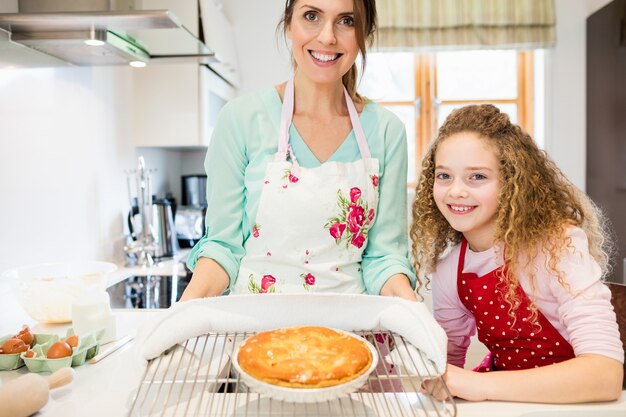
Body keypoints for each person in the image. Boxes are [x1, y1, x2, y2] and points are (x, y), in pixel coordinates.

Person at [180, 0, 416, 301]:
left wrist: (412, 310)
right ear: (289, 24)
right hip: (255, 328)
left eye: (346, 21)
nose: (328, 37)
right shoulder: (241, 119)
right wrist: (179, 317)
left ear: (363, 33)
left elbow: (384, 259)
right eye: (312, 16)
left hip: (352, 331)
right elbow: (222, 248)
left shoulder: (386, 131)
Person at [410, 104, 624, 402]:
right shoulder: (449, 270)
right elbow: (448, 367)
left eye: (477, 177)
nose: (455, 191)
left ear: (512, 183)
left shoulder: (556, 247)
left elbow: (605, 375)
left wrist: (475, 385)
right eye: (444, 176)